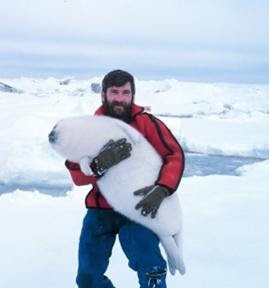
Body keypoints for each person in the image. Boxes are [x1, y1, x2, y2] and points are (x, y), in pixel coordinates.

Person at [65, 69, 184, 288]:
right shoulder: (90, 128)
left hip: (138, 208)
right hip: (101, 209)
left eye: (126, 92)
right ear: (103, 95)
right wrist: (98, 166)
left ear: (133, 95)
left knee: (152, 269)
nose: (120, 98)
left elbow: (173, 155)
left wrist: (162, 189)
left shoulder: (147, 123)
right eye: (114, 92)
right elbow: (76, 173)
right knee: (88, 278)